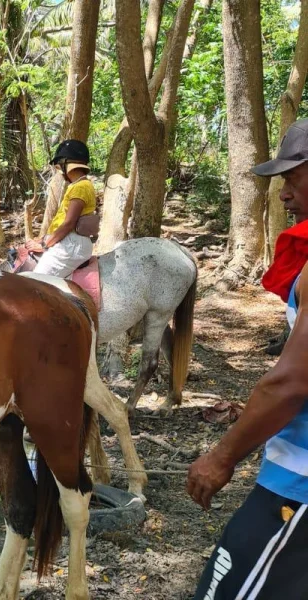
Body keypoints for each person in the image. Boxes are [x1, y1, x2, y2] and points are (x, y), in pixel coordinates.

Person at [187, 118, 308, 600]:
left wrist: (222, 456)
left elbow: (291, 383)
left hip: (298, 484)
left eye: (293, 177)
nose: (284, 193)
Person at [25, 139, 97, 278]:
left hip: (71, 245)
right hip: (68, 241)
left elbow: (68, 223)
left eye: (58, 167)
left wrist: (44, 245)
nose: (59, 171)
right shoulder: (77, 186)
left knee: (35, 282)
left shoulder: (80, 187)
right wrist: (43, 239)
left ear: (65, 164)